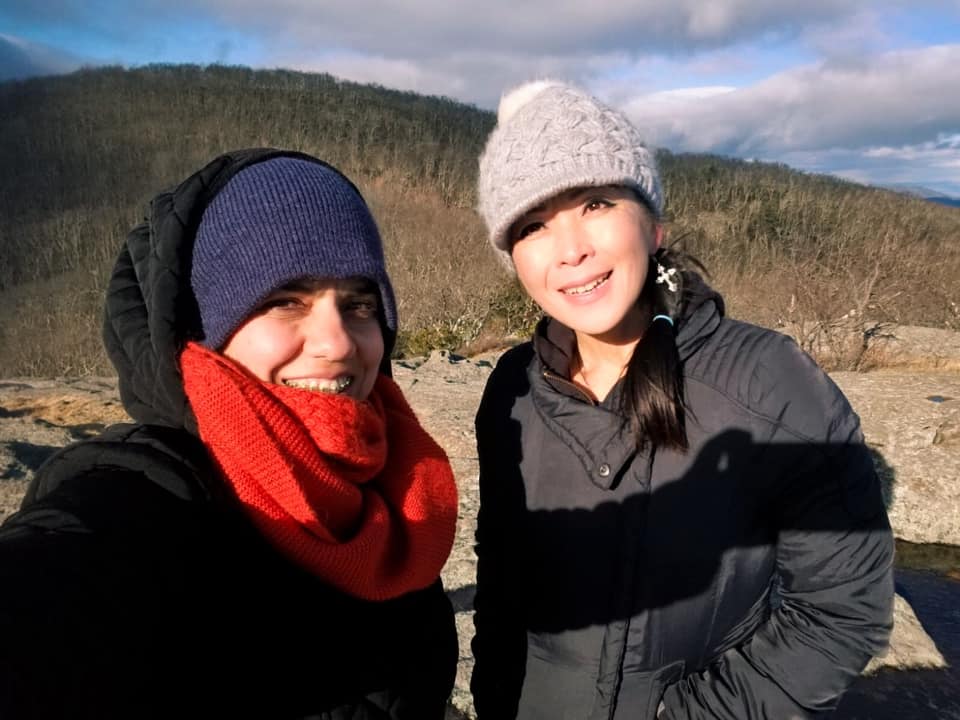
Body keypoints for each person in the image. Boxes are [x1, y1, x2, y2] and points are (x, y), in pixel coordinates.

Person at [470, 81, 894, 719]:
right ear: (515, 261)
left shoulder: (769, 382)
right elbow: (501, 576)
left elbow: (841, 610)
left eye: (595, 203)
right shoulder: (513, 388)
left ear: (653, 224)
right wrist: (494, 698)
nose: (571, 249)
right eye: (533, 226)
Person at [0, 149, 459, 719]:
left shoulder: (392, 488)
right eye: (285, 301)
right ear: (203, 331)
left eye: (359, 304)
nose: (339, 342)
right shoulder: (142, 501)